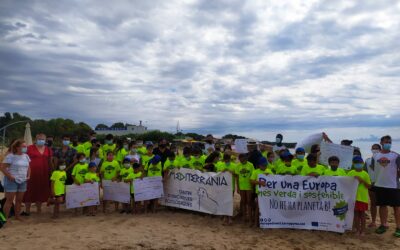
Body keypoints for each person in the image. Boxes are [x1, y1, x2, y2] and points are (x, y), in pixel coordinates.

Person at [372, 135, 400, 237]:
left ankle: (398, 227)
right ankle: (383, 225)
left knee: (396, 207)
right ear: (381, 142)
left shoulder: (396, 156)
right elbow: (373, 169)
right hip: (379, 184)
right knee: (382, 206)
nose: (388, 143)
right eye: (386, 142)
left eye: (389, 142)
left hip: (393, 185)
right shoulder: (375, 156)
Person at [23, 133, 53, 215]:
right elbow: (23, 158)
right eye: (39, 139)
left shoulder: (48, 149)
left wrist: (51, 172)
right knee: (29, 191)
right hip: (30, 174)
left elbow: (50, 162)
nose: (41, 140)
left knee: (40, 191)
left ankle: (39, 209)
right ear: (35, 140)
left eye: (43, 139)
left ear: (45, 140)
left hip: (44, 173)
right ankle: (27, 210)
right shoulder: (29, 148)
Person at [0, 139, 30, 221]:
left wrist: (28, 175)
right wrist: (9, 176)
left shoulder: (26, 156)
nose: (25, 148)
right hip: (12, 181)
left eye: (25, 146)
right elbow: (2, 167)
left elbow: (28, 167)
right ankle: (4, 219)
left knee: (19, 200)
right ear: (17, 147)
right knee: (9, 201)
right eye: (23, 146)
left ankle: (17, 216)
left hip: (23, 180)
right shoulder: (10, 156)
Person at [348, 156, 371, 236]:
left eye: (360, 163)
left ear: (362, 163)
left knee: (362, 214)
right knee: (356, 214)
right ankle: (357, 230)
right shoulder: (350, 173)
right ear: (353, 164)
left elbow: (369, 186)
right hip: (353, 197)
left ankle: (363, 231)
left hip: (363, 198)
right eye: (356, 163)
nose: (358, 164)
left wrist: (362, 180)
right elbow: (346, 184)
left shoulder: (365, 174)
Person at [250, 157, 273, 227]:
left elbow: (274, 180)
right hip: (259, 193)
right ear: (259, 165)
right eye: (263, 165)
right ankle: (256, 223)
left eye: (265, 165)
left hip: (268, 193)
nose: (264, 166)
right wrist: (259, 182)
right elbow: (251, 181)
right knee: (258, 208)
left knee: (267, 208)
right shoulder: (255, 171)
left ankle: (267, 222)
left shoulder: (269, 171)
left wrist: (269, 176)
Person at [216, 152, 237, 225]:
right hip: (223, 187)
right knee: (224, 201)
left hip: (231, 187)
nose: (227, 161)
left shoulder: (234, 165)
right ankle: (225, 217)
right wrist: (221, 171)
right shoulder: (220, 165)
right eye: (226, 160)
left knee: (230, 202)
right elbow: (217, 175)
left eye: (228, 160)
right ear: (224, 160)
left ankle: (230, 217)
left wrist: (232, 172)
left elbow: (237, 176)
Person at [365, 143, 381, 227]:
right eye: (373, 148)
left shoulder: (383, 160)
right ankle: (373, 221)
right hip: (371, 185)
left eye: (376, 148)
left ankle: (383, 222)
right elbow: (365, 173)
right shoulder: (367, 160)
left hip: (382, 184)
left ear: (380, 149)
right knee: (373, 203)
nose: (374, 150)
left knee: (383, 204)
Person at [235, 153, 254, 222]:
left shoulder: (251, 165)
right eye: (240, 160)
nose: (241, 161)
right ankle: (244, 216)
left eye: (243, 159)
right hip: (242, 186)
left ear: (246, 158)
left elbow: (252, 176)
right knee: (243, 201)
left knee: (249, 201)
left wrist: (252, 187)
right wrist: (238, 187)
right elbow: (237, 177)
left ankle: (250, 216)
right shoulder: (238, 166)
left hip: (249, 186)